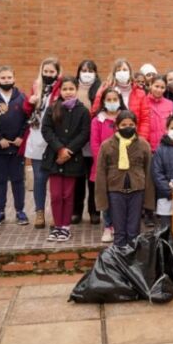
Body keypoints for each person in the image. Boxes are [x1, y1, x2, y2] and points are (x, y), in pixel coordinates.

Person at [94, 110, 154, 247]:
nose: (128, 127)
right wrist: (102, 200)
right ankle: (119, 262)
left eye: (131, 124)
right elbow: (101, 173)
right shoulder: (107, 145)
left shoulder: (143, 145)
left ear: (136, 126)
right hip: (115, 191)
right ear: (117, 126)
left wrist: (149, 200)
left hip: (137, 190)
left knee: (134, 231)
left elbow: (149, 172)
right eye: (123, 125)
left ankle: (132, 262)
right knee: (119, 231)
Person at [41, 76, 91, 242]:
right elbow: (46, 130)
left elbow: (84, 133)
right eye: (65, 89)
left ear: (76, 90)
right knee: (55, 195)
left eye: (71, 89)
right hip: (54, 158)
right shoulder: (52, 109)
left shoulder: (83, 111)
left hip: (73, 159)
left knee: (68, 195)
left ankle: (65, 227)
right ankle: (57, 226)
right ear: (60, 91)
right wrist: (60, 149)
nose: (68, 92)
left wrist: (68, 151)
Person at [21, 58, 61, 229]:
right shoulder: (36, 86)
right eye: (46, 71)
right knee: (39, 179)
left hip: (53, 138)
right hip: (37, 137)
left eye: (52, 72)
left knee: (55, 180)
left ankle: (54, 213)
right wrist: (29, 102)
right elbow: (27, 111)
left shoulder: (61, 89)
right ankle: (39, 213)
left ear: (57, 73)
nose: (48, 74)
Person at [0, 66, 29, 227]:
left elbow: (27, 120)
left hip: (17, 148)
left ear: (14, 78)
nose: (6, 80)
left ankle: (20, 211)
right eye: (3, 78)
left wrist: (21, 137)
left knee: (18, 180)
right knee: (0, 181)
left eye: (9, 77)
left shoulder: (22, 97)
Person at [90, 88, 126, 243]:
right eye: (109, 100)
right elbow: (95, 144)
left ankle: (119, 226)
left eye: (115, 99)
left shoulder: (125, 118)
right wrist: (102, 162)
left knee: (120, 197)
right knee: (107, 197)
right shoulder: (97, 120)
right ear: (103, 101)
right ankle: (108, 226)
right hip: (104, 166)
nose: (112, 103)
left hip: (123, 164)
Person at [91, 58, 150, 140]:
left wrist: (141, 138)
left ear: (130, 72)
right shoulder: (105, 90)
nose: (122, 72)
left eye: (125, 70)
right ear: (114, 74)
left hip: (134, 138)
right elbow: (95, 111)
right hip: (111, 139)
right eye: (119, 70)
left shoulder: (140, 93)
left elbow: (145, 119)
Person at [73, 60, 101, 225]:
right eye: (83, 70)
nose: (87, 73)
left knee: (93, 180)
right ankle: (76, 211)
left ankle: (94, 211)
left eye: (90, 70)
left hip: (93, 140)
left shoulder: (100, 89)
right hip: (76, 141)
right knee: (77, 179)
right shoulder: (73, 88)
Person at [147, 76, 173, 151]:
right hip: (149, 148)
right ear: (150, 85)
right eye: (156, 86)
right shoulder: (143, 102)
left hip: (166, 148)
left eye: (162, 87)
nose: (159, 90)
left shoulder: (170, 104)